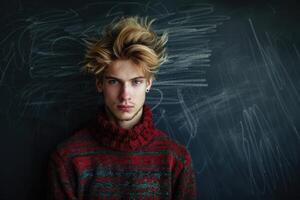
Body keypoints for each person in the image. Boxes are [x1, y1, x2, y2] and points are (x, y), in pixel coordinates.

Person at [48, 16, 197, 200]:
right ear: (99, 84)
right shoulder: (68, 159)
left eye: (136, 82)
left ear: (149, 84)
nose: (125, 95)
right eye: (113, 82)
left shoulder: (176, 160)